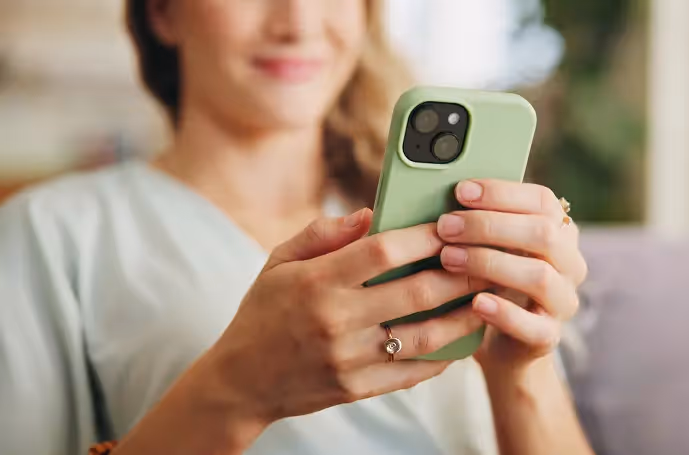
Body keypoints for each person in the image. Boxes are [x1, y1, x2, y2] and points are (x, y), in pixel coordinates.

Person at [0, 1, 592, 454]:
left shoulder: (449, 225)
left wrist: (521, 368)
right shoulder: (51, 234)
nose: (298, 20)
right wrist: (238, 389)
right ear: (163, 13)